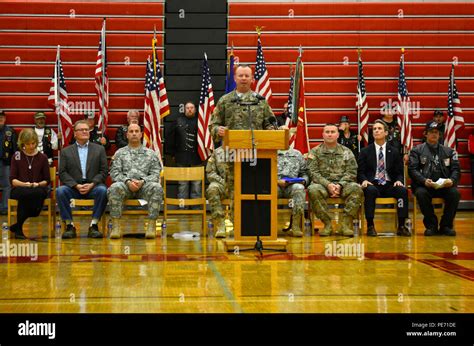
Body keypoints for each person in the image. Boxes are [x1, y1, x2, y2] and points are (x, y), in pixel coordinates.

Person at [108, 124, 164, 239]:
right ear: (127, 135)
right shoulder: (119, 153)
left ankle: (151, 226)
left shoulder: (150, 153)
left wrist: (143, 181)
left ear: (141, 134)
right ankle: (116, 226)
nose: (134, 133)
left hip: (144, 187)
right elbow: (114, 173)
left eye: (136, 131)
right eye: (131, 131)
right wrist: (127, 181)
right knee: (114, 188)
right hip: (125, 186)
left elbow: (155, 173)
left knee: (157, 188)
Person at [307, 123, 363, 237]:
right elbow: (313, 173)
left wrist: (340, 185)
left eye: (333, 132)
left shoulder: (347, 152)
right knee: (312, 189)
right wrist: (328, 185)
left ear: (338, 135)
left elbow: (351, 171)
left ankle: (345, 224)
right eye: (327, 132)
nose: (330, 134)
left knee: (357, 189)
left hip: (343, 185)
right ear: (323, 135)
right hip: (323, 185)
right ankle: (327, 224)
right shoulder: (315, 152)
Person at [357, 120, 410, 237]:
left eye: (379, 128)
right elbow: (360, 172)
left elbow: (399, 172)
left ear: (386, 133)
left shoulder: (394, 151)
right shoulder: (365, 151)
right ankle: (370, 226)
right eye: (374, 129)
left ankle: (401, 226)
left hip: (389, 184)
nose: (376, 131)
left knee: (402, 191)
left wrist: (399, 180)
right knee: (369, 191)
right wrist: (364, 180)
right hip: (373, 183)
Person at [57, 120, 108, 239]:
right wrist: (75, 185)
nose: (85, 131)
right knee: (60, 191)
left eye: (87, 129)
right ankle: (70, 226)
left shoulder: (99, 149)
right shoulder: (66, 151)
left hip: (93, 187)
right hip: (73, 188)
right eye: (82, 130)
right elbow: (62, 173)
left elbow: (104, 171)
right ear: (75, 133)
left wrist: (92, 184)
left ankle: (94, 225)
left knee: (103, 191)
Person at [408, 121, 460, 236]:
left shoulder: (449, 151)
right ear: (425, 134)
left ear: (440, 135)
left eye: (436, 132)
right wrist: (423, 180)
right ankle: (431, 225)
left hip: (444, 186)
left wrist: (451, 180)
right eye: (431, 132)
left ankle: (446, 225)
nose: (434, 134)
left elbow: (456, 169)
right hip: (424, 186)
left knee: (455, 193)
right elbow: (412, 170)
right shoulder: (416, 150)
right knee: (421, 194)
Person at [209, 64, 275, 144]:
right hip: (232, 148)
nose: (243, 78)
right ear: (235, 78)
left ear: (252, 79)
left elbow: (270, 124)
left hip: (257, 148)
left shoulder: (260, 101)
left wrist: (273, 129)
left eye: (247, 76)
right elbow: (213, 125)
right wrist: (218, 130)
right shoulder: (225, 100)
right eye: (240, 76)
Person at [9, 129, 50, 239]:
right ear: (22, 143)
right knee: (25, 194)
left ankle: (18, 226)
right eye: (28, 144)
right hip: (20, 188)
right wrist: (24, 184)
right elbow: (13, 180)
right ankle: (18, 229)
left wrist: (37, 184)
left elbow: (47, 180)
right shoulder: (16, 156)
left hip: (37, 188)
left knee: (37, 193)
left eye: (33, 143)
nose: (31, 146)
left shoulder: (43, 157)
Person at [170, 101, 203, 209]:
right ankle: (182, 207)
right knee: (182, 184)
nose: (189, 109)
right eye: (187, 108)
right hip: (181, 157)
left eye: (191, 107)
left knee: (197, 185)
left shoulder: (201, 121)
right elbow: (172, 137)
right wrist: (172, 153)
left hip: (197, 157)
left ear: (195, 109)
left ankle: (196, 207)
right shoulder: (178, 121)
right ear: (184, 109)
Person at [277, 148, 309, 237]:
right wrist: (276, 181)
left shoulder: (297, 154)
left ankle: (296, 225)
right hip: (274, 184)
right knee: (265, 189)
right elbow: (264, 173)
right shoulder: (270, 152)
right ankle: (265, 226)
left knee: (299, 188)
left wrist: (304, 181)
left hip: (292, 185)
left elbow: (305, 173)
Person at [206, 146, 234, 238]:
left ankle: (238, 225)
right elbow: (210, 172)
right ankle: (220, 225)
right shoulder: (217, 152)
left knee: (243, 190)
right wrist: (223, 181)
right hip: (222, 184)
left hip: (237, 184)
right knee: (212, 189)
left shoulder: (242, 151)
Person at [0, 110, 17, 215]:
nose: (0, 119)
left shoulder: (10, 131)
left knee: (7, 185)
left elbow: (15, 149)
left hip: (5, 163)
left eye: (2, 117)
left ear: (5, 119)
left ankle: (5, 208)